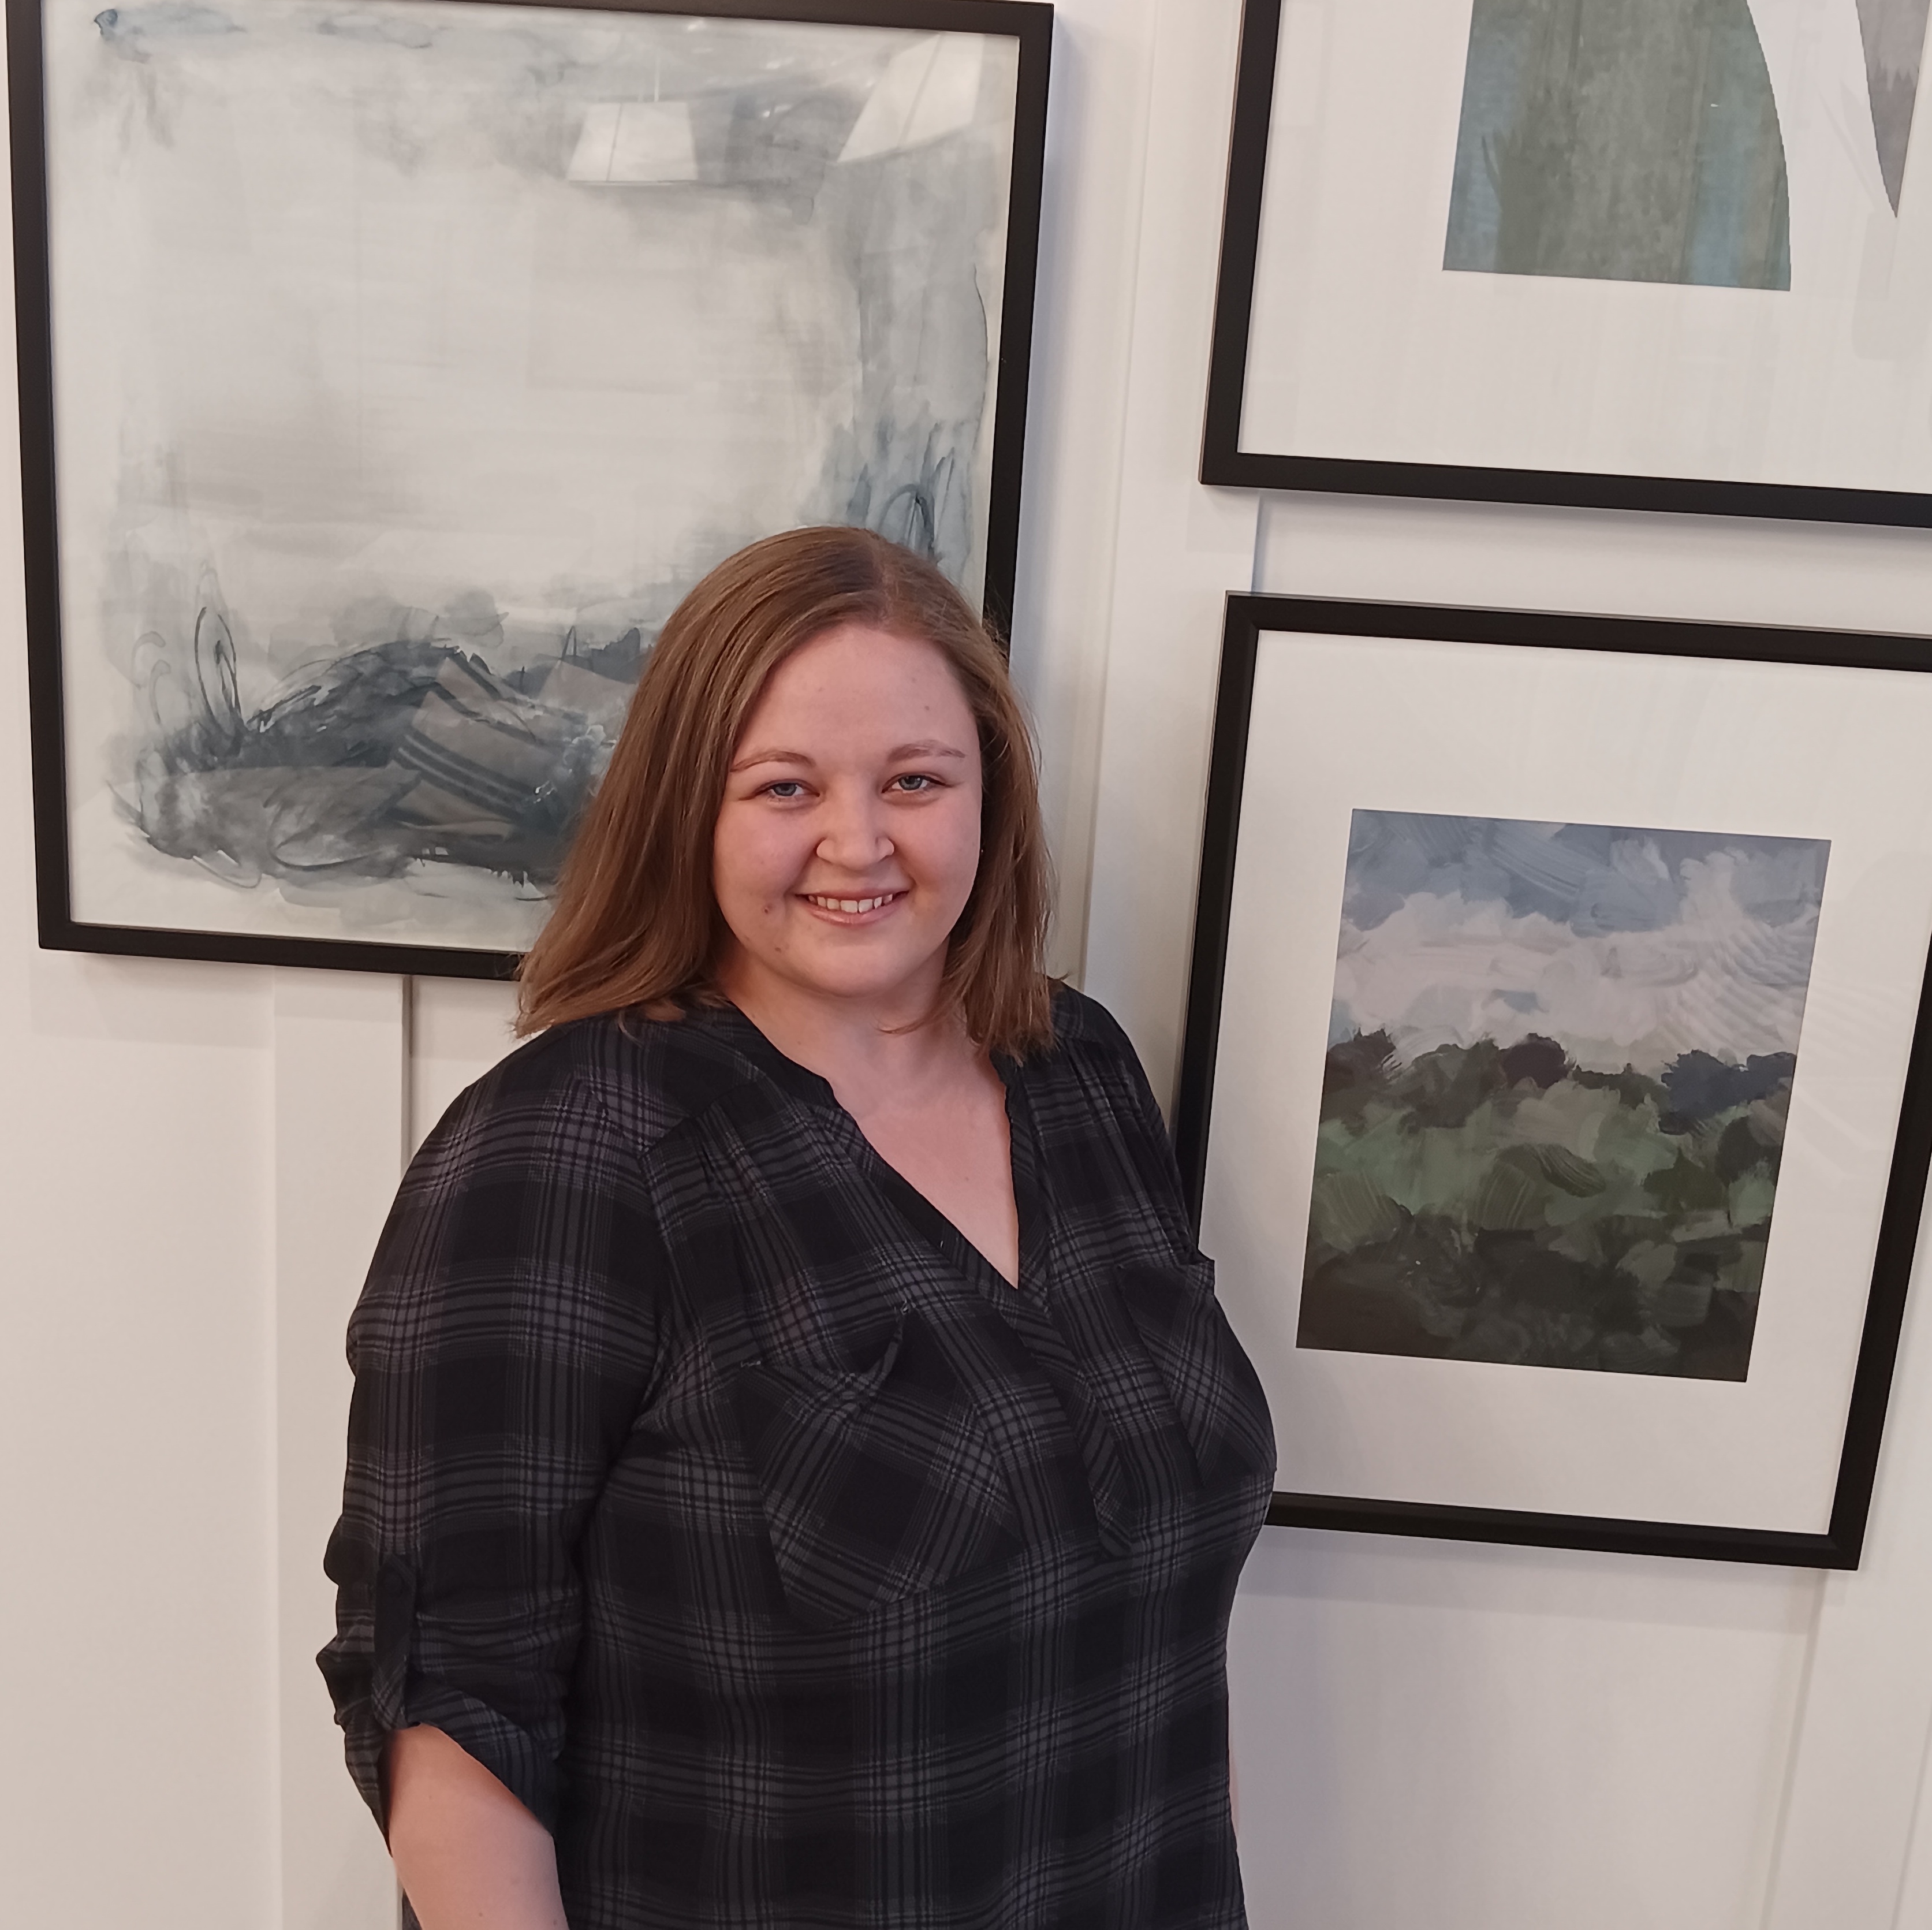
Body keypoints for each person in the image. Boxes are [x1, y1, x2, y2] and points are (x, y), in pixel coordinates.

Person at [320, 526, 1276, 1930]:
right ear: (684, 811)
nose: (860, 840)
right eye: (784, 786)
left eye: (914, 780)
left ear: (986, 797)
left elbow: (1163, 1625)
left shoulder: (1079, 1075)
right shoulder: (568, 1150)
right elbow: (453, 1703)